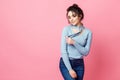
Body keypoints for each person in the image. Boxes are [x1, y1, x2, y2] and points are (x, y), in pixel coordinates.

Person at [59, 3, 92, 80]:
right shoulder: (66, 29)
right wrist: (70, 69)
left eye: (74, 16)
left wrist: (74, 42)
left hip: (79, 64)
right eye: (69, 17)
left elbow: (86, 52)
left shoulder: (88, 32)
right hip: (66, 63)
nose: (71, 19)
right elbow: (63, 51)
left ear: (80, 16)